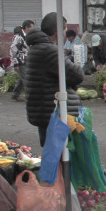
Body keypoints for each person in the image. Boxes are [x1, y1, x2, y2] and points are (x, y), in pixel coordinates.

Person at [23, 12, 84, 146]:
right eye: (64, 29)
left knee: (52, 155)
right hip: (52, 114)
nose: (65, 32)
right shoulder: (49, 50)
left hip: (44, 112)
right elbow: (77, 75)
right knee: (58, 158)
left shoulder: (37, 47)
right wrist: (78, 64)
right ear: (57, 32)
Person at [10, 20, 34, 102]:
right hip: (21, 61)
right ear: (26, 27)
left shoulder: (27, 36)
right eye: (31, 27)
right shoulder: (18, 37)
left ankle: (15, 95)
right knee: (27, 79)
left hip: (27, 60)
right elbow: (13, 50)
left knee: (22, 79)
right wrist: (15, 63)